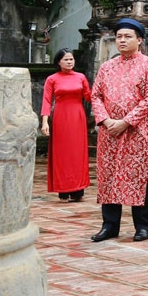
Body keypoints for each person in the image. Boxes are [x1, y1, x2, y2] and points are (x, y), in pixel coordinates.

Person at [90, 18, 148, 242]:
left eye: (127, 36)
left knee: (139, 178)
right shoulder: (107, 67)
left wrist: (126, 121)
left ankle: (143, 226)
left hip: (137, 132)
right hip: (109, 132)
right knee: (109, 176)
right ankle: (109, 225)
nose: (122, 40)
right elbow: (95, 95)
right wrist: (104, 120)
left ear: (139, 40)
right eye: (119, 36)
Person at [40, 48, 91, 202]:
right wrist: (44, 122)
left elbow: (89, 96)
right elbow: (47, 101)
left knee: (77, 153)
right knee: (62, 153)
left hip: (77, 116)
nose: (70, 62)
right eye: (66, 59)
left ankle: (78, 190)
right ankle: (63, 190)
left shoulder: (81, 77)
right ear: (58, 62)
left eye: (71, 59)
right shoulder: (52, 79)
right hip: (61, 117)